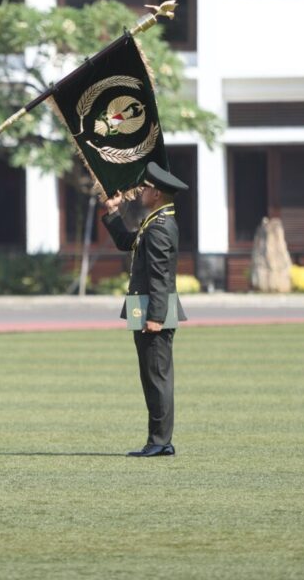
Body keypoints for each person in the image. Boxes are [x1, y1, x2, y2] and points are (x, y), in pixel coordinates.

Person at [101, 161, 189, 458]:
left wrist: (156, 317)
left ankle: (159, 441)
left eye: (148, 187)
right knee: (153, 375)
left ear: (158, 194)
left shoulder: (161, 226)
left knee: (157, 377)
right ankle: (160, 439)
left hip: (153, 311)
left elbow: (161, 275)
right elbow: (128, 243)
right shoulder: (155, 221)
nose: (143, 190)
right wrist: (113, 211)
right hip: (148, 308)